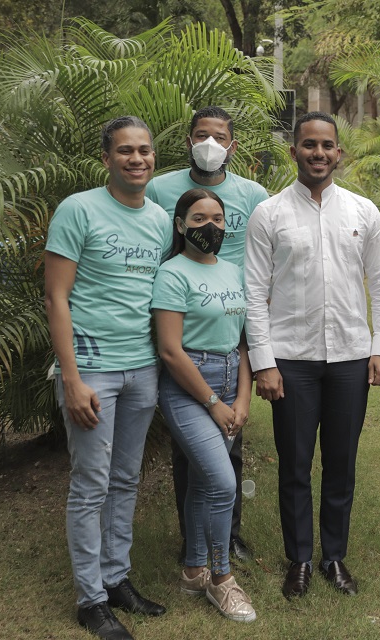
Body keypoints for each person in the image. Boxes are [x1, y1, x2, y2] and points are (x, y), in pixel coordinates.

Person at [244, 112, 380, 599]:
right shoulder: (269, 214)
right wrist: (263, 361)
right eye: (308, 144)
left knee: (341, 462)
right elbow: (253, 293)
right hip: (291, 358)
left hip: (350, 356)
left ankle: (334, 556)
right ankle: (301, 559)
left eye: (327, 145)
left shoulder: (362, 212)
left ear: (339, 153)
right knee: (294, 463)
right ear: (294, 151)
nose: (318, 153)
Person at [44, 116, 171, 640]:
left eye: (143, 151)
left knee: (125, 478)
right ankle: (90, 599)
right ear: (106, 159)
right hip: (92, 368)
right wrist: (71, 379)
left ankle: (116, 578)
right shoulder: (78, 209)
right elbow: (55, 297)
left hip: (143, 368)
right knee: (91, 484)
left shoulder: (162, 220)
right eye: (125, 151)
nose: (136, 159)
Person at [147, 106, 268, 564]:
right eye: (202, 135)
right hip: (185, 317)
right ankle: (193, 541)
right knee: (191, 450)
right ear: (188, 141)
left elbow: (263, 254)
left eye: (220, 137)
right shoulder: (160, 189)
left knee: (229, 446)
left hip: (231, 319)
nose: (210, 144)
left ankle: (228, 535)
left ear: (232, 146)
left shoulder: (253, 195)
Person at [152, 188, 256, 623]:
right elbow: (171, 350)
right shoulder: (172, 274)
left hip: (233, 383)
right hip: (190, 388)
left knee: (201, 482)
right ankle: (222, 579)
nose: (209, 226)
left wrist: (243, 398)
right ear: (180, 225)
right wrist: (214, 402)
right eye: (198, 219)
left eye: (217, 218)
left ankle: (194, 570)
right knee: (223, 482)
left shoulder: (233, 271)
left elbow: (244, 342)